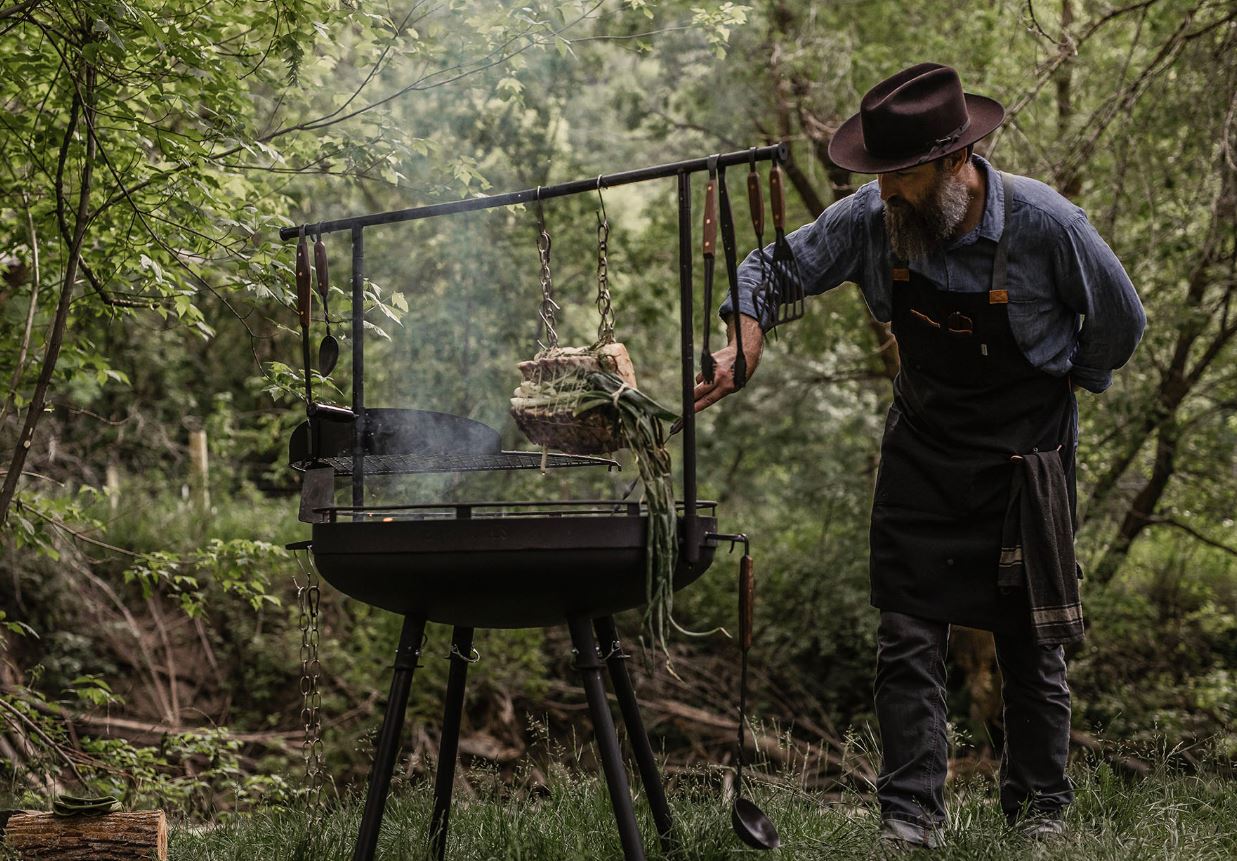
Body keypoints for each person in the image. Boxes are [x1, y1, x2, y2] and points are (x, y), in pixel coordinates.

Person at [695, 63, 1146, 850]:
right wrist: (745, 336)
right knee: (905, 636)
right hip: (923, 452)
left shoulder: (1047, 225)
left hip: (1024, 459)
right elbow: (769, 265)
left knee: (1027, 640)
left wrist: (1072, 378)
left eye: (899, 177)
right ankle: (910, 817)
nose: (883, 193)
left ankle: (1040, 809)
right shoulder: (873, 221)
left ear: (954, 163)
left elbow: (1120, 322)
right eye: (876, 177)